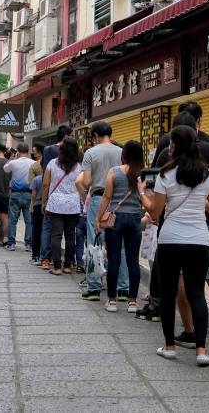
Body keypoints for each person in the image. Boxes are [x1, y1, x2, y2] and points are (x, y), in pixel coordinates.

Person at [142, 125, 209, 366]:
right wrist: (200, 205)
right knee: (197, 293)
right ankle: (201, 350)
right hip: (198, 240)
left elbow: (155, 213)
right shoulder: (207, 173)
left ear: (172, 146)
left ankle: (169, 346)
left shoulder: (165, 174)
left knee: (168, 293)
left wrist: (144, 198)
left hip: (170, 240)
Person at [166, 112, 209, 349]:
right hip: (208, 224)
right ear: (197, 125)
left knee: (184, 278)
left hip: (179, 227)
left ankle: (189, 331)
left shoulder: (169, 152)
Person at [76, 122, 125, 302]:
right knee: (120, 245)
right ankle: (123, 289)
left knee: (94, 242)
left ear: (95, 135)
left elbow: (86, 181)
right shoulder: (121, 152)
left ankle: (94, 287)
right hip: (120, 202)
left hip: (98, 198)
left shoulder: (91, 152)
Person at [95, 140, 145, 313]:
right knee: (133, 261)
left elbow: (106, 197)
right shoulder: (142, 175)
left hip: (115, 219)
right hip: (134, 219)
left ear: (124, 155)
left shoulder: (114, 172)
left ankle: (112, 300)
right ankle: (132, 302)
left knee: (114, 260)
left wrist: (98, 219)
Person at [41, 137, 83, 275]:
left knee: (56, 235)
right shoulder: (79, 167)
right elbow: (83, 185)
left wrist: (43, 201)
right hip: (73, 204)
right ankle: (67, 265)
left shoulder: (52, 163)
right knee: (70, 236)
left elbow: (46, 184)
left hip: (55, 204)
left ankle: (57, 267)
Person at [4, 143, 34, 251]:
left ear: (17, 151)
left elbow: (5, 169)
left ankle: (11, 243)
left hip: (15, 194)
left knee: (12, 219)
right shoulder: (33, 163)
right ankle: (28, 244)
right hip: (29, 194)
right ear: (28, 150)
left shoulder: (13, 163)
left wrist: (12, 158)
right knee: (29, 220)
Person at [28, 145, 45, 265]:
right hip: (51, 205)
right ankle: (46, 256)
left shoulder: (34, 166)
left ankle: (35, 255)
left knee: (36, 230)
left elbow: (31, 188)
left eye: (34, 152)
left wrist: (34, 203)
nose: (33, 153)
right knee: (48, 231)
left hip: (37, 204)